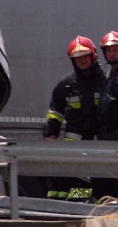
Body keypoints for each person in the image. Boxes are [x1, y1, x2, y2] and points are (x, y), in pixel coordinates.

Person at [43, 36, 105, 199]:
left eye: (85, 56)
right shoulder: (66, 83)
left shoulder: (104, 81)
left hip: (99, 139)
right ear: (73, 60)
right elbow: (55, 111)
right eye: (77, 57)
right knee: (62, 178)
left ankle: (90, 201)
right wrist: (51, 133)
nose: (82, 60)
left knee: (100, 179)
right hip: (73, 139)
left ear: (93, 56)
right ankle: (59, 204)